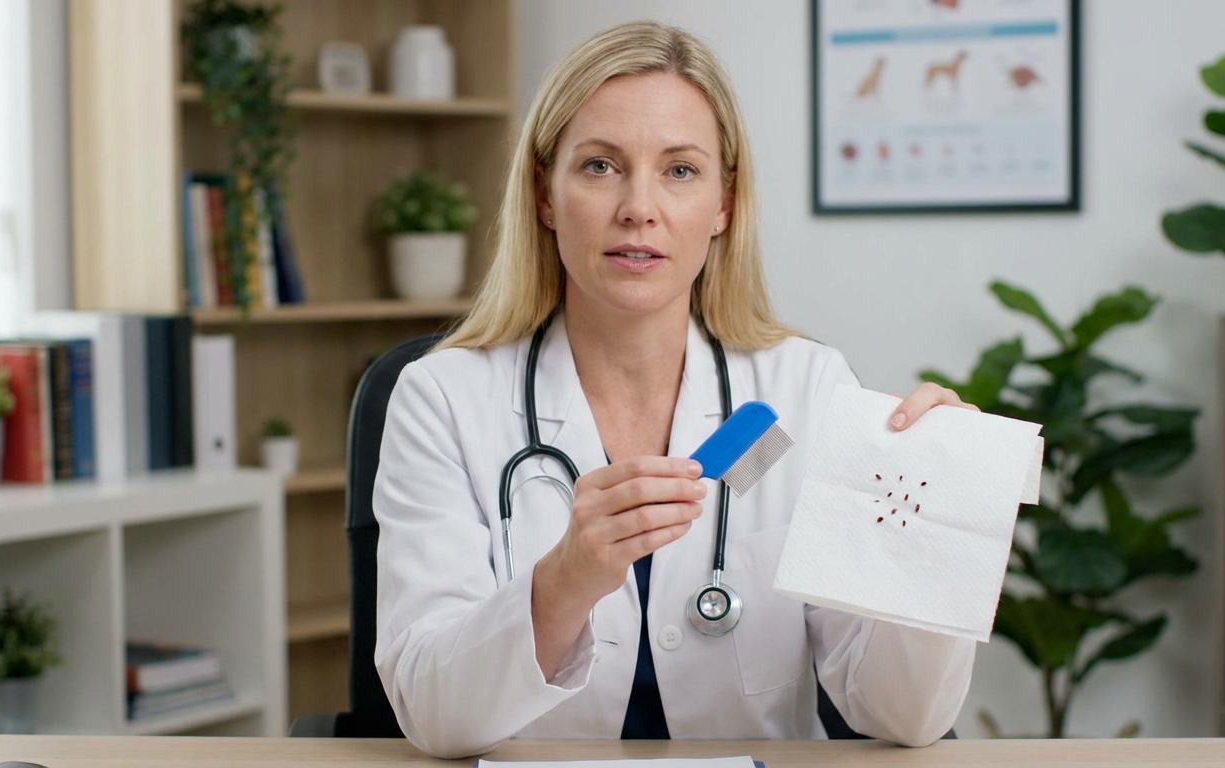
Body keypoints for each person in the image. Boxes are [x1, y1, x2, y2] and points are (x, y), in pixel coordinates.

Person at [373, 20, 977, 759]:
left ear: (724, 203)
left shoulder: (803, 391)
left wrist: (930, 524)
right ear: (545, 196)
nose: (639, 206)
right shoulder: (441, 399)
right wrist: (564, 581)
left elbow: (903, 717)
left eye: (680, 171)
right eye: (599, 166)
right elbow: (434, 717)